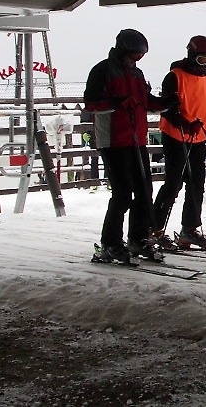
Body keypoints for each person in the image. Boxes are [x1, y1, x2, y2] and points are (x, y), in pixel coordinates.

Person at [83, 29, 169, 263]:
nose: (137, 60)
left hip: (136, 139)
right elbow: (91, 104)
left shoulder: (137, 74)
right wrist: (117, 103)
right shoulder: (102, 70)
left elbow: (146, 101)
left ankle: (138, 239)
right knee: (122, 194)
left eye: (140, 56)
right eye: (134, 55)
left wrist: (166, 103)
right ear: (123, 51)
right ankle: (110, 243)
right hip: (113, 140)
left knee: (144, 191)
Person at [152, 36, 206, 253]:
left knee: (197, 184)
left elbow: (205, 109)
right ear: (191, 54)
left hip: (198, 137)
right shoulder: (174, 76)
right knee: (173, 184)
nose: (205, 64)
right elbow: (168, 110)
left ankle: (190, 228)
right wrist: (186, 124)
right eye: (202, 59)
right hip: (176, 136)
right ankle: (154, 228)